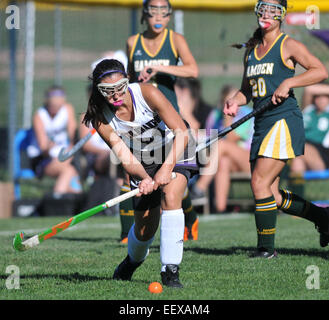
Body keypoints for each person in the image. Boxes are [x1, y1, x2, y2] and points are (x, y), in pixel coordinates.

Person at [224, 0, 329, 258]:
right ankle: (323, 218)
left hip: (283, 121)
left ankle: (266, 250)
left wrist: (290, 82)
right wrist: (234, 101)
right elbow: (246, 91)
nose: (267, 14)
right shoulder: (251, 51)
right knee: (271, 193)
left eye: (274, 10)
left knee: (259, 182)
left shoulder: (288, 44)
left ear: (282, 15)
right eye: (263, 8)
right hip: (261, 123)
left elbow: (319, 70)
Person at [83, 59, 197, 287]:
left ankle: (170, 271)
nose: (115, 95)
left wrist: (165, 169)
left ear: (128, 80)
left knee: (171, 196)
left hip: (177, 146)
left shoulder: (147, 93)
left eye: (120, 87)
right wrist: (145, 178)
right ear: (99, 90)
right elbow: (125, 157)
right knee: (145, 229)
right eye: (107, 90)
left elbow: (182, 131)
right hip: (142, 160)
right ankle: (132, 261)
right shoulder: (101, 118)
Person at [123, 0, 200, 242]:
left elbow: (192, 70)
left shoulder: (175, 40)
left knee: (172, 179)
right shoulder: (132, 42)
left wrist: (160, 68)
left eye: (163, 12)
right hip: (141, 124)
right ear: (144, 15)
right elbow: (128, 79)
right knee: (132, 173)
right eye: (153, 10)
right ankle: (129, 234)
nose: (158, 16)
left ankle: (189, 218)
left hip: (168, 121)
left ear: (169, 17)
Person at [191, 85, 253, 213]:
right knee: (222, 160)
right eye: (228, 100)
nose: (231, 102)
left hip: (249, 159)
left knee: (221, 145)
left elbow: (230, 138)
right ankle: (221, 208)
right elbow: (208, 137)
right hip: (228, 160)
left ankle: (199, 188)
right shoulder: (215, 114)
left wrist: (227, 117)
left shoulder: (246, 114)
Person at [27, 85, 82, 196]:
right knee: (69, 171)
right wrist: (50, 147)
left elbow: (73, 137)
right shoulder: (39, 116)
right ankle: (57, 199)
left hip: (64, 156)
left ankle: (65, 201)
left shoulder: (67, 109)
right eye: (52, 105)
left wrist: (69, 152)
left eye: (58, 106)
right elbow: (43, 149)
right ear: (48, 102)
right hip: (43, 160)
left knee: (72, 174)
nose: (55, 109)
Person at [289, 84, 329, 196]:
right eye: (317, 97)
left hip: (322, 155)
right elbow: (309, 89)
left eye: (324, 96)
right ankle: (296, 199)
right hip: (302, 151)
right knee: (297, 161)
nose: (320, 100)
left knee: (300, 149)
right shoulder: (308, 110)